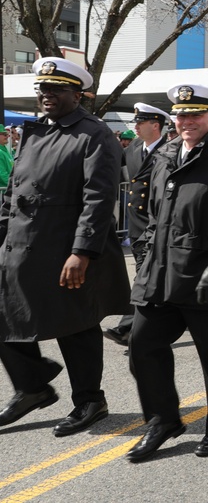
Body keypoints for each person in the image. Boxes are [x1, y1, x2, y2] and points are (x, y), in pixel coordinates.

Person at [125, 84, 208, 462]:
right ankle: (163, 420)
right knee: (143, 346)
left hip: (205, 278)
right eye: (181, 115)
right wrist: (147, 255)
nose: (187, 121)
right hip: (161, 275)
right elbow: (155, 213)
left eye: (196, 114)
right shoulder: (166, 155)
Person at [0, 57, 130, 436]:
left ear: (78, 94)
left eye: (56, 89)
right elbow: (13, 191)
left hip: (64, 249)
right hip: (21, 244)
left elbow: (99, 198)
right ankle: (33, 386)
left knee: (76, 327)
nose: (46, 95)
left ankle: (90, 399)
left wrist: (82, 252)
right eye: (42, 89)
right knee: (4, 313)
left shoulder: (94, 133)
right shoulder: (35, 130)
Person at [104, 103, 173, 348]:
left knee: (145, 278)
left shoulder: (170, 151)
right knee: (148, 279)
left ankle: (129, 328)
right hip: (136, 227)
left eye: (140, 122)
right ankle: (147, 327)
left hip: (157, 227)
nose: (135, 126)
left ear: (156, 125)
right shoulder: (133, 148)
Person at [0, 125, 12, 191]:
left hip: (7, 191)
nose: (7, 136)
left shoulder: (5, 151)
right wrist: (14, 185)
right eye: (4, 134)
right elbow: (2, 174)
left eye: (7, 134)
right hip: (3, 193)